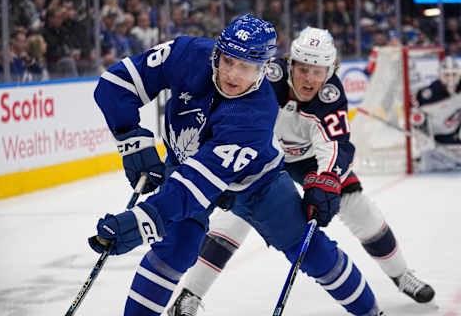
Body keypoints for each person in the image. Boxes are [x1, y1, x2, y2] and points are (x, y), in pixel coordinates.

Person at [88, 15, 384, 316]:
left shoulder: (255, 114)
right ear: (216, 52)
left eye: (245, 67)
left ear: (263, 69)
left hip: (256, 183)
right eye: (228, 60)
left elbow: (194, 187)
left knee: (311, 251)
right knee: (176, 249)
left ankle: (371, 312)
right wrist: (132, 141)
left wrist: (142, 221)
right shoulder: (187, 53)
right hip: (186, 165)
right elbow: (115, 83)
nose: (232, 74)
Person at [167, 26, 436, 316]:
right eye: (303, 69)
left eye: (318, 71)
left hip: (307, 159)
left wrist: (328, 179)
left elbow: (335, 143)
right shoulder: (266, 78)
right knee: (232, 220)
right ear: (289, 63)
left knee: (359, 208)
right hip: (260, 155)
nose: (310, 78)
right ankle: (189, 294)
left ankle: (401, 274)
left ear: (330, 71)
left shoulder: (330, 95)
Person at [411, 55, 461, 171]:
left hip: (454, 134)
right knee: (427, 165)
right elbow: (416, 117)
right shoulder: (428, 93)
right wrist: (425, 140)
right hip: (436, 139)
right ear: (440, 75)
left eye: (453, 74)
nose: (450, 79)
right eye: (447, 75)